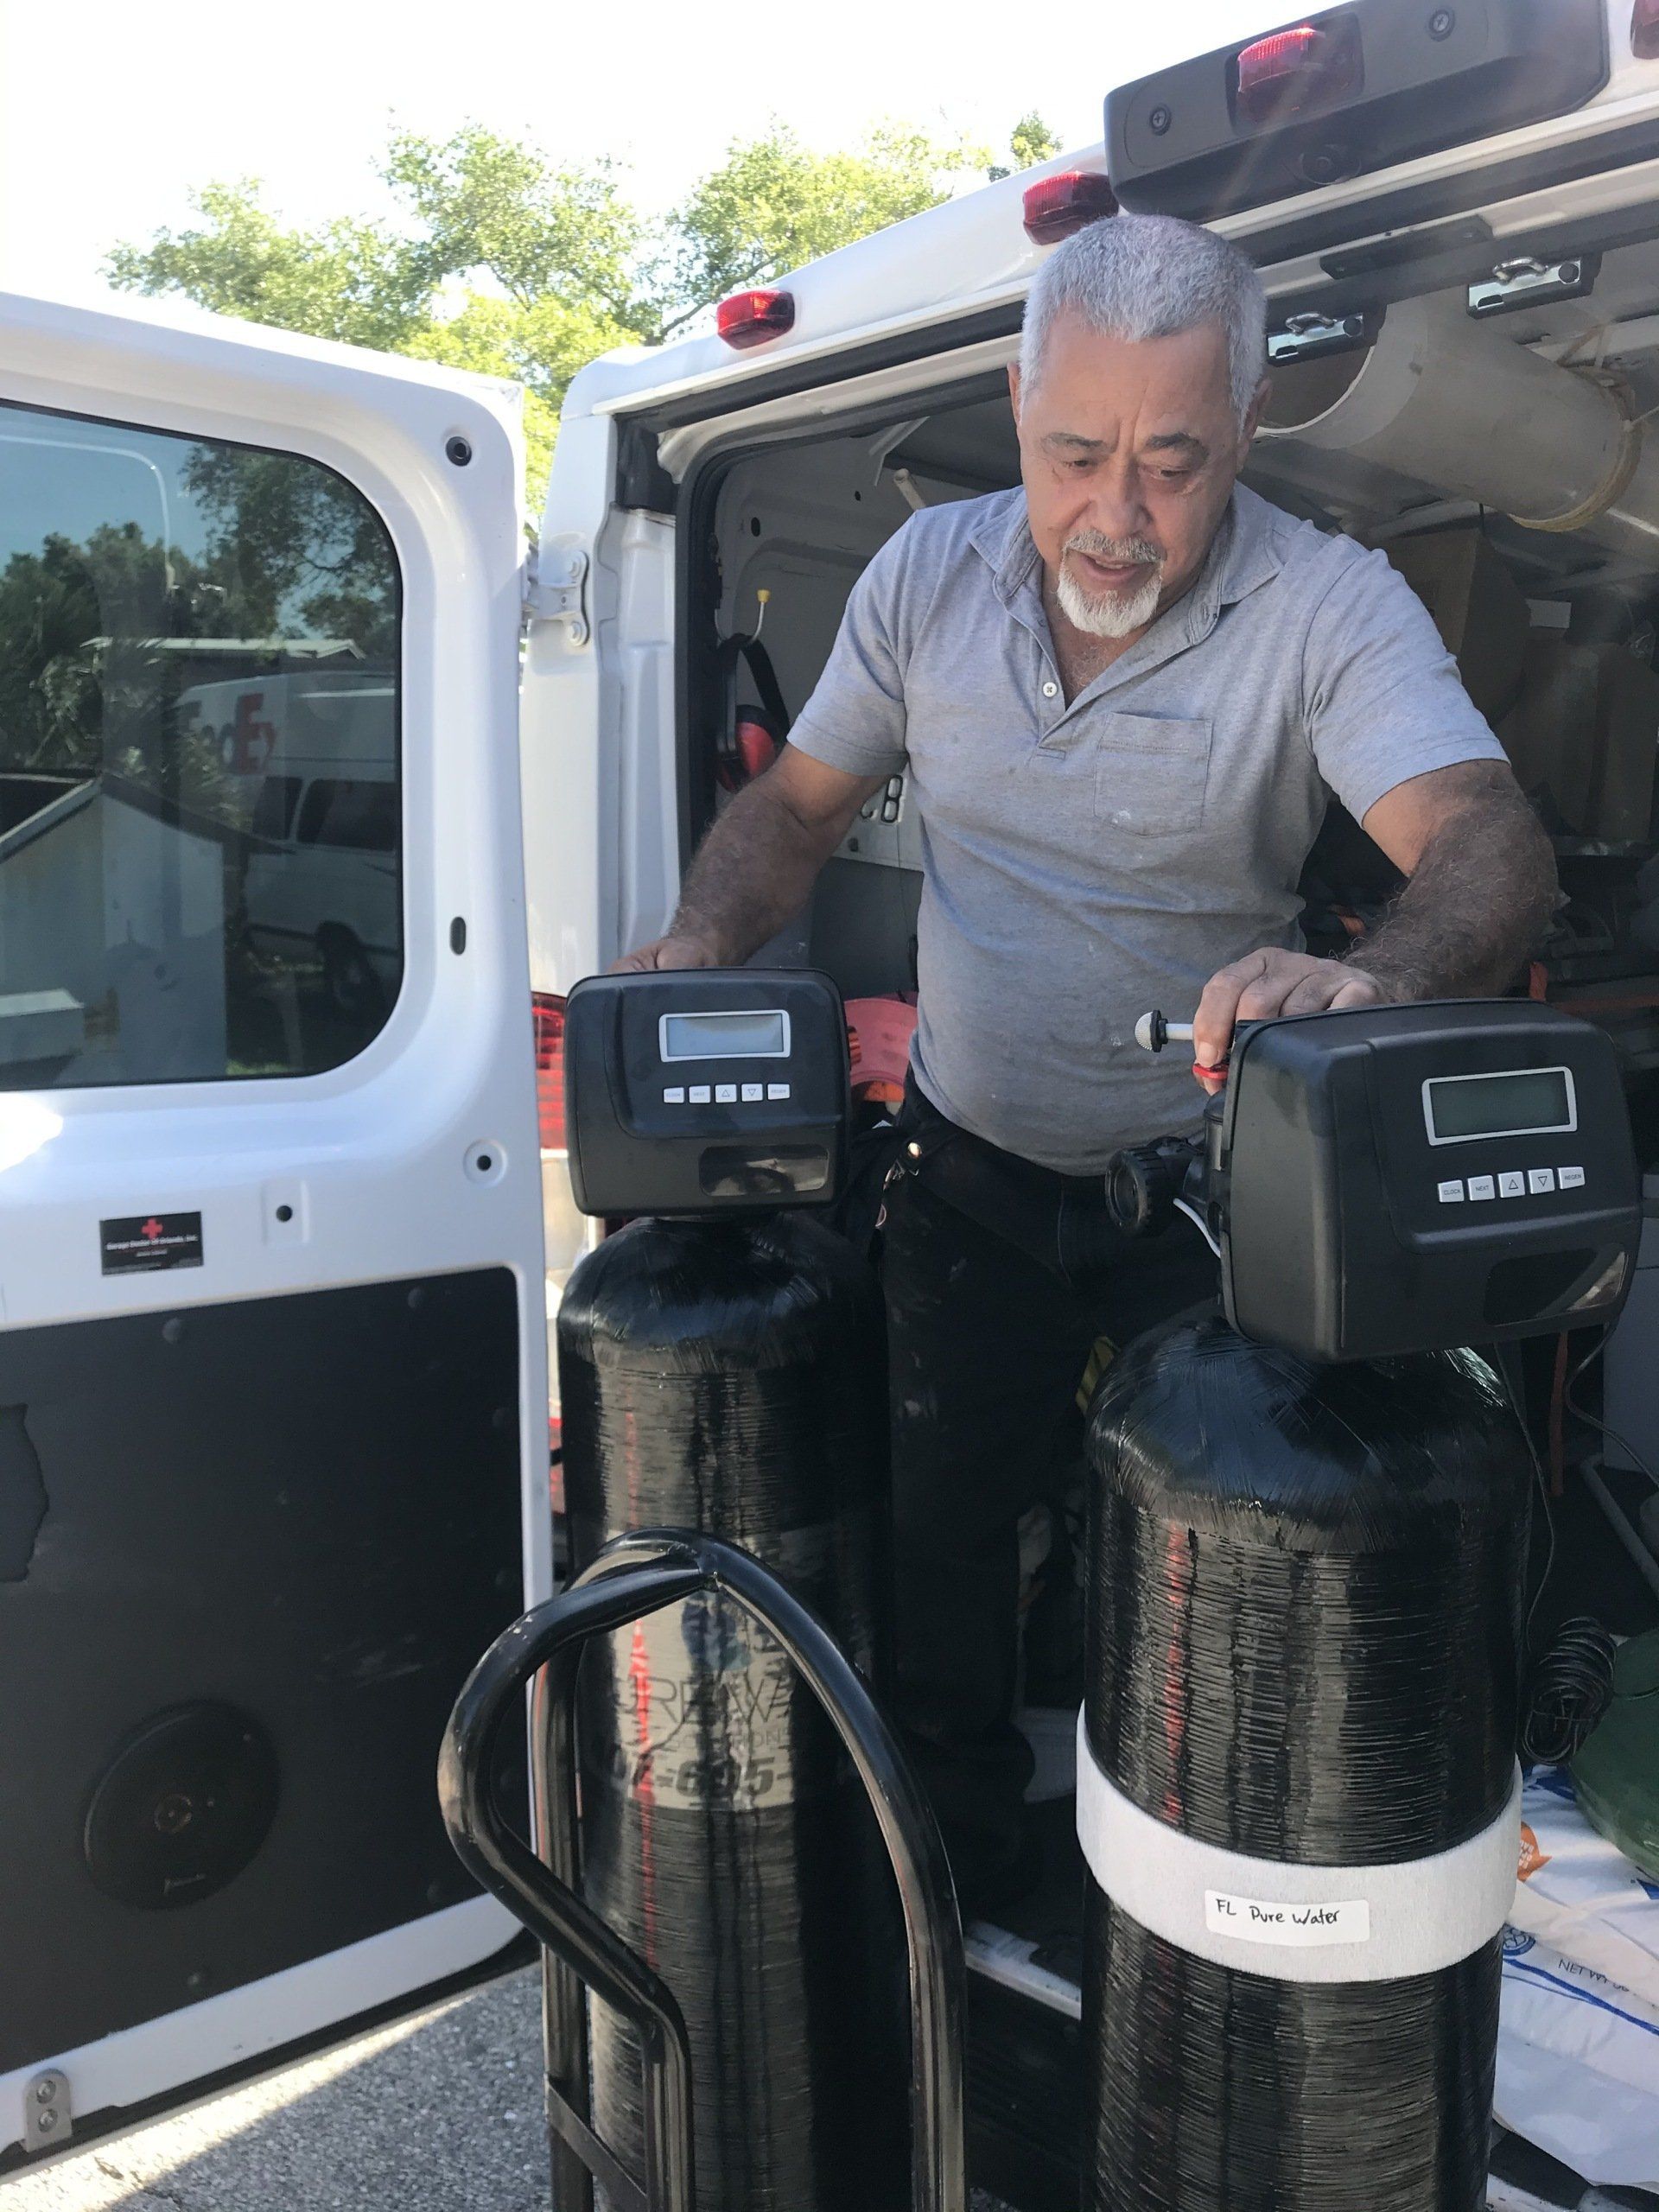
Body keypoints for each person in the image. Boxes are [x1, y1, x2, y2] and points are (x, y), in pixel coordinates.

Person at [615, 211, 1558, 1910]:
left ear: (1248, 433)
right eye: (1075, 453)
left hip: (1206, 1194)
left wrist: (1371, 972)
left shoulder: (1329, 605)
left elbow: (1493, 847)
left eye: (1173, 462)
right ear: (1017, 399)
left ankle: (1194, 1898)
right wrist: (703, 938)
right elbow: (795, 812)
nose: (1116, 512)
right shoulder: (923, 577)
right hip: (969, 1169)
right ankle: (955, 1891)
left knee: (1216, 1549)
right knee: (943, 1537)